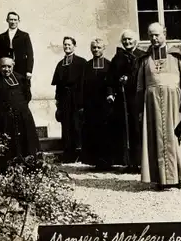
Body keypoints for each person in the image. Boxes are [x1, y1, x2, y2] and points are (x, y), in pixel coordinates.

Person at [136, 22, 181, 190]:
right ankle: (160, 180)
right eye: (150, 35)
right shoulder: (145, 59)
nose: (154, 38)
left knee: (175, 139)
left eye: (157, 34)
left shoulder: (176, 56)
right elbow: (140, 87)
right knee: (154, 139)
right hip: (151, 106)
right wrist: (140, 110)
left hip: (174, 105)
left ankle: (178, 178)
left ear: (165, 34)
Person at [0, 57, 40, 162]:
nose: (6, 69)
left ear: (13, 66)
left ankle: (27, 163)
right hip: (1, 120)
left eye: (9, 66)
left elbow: (27, 96)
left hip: (22, 117)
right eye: (3, 66)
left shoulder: (19, 78)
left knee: (25, 144)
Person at [106, 29, 146, 172]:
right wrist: (111, 92)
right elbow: (110, 78)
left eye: (129, 39)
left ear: (135, 40)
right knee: (125, 129)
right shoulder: (118, 58)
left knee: (138, 128)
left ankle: (142, 162)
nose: (127, 42)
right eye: (124, 40)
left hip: (139, 98)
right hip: (123, 99)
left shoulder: (142, 56)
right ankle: (129, 162)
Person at [51, 36, 87, 163]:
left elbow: (84, 83)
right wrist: (57, 100)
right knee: (66, 125)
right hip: (65, 98)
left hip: (77, 98)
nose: (67, 47)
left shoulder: (81, 62)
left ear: (74, 46)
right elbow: (58, 86)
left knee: (77, 125)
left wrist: (82, 100)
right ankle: (68, 152)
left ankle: (80, 152)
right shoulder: (60, 64)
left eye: (69, 45)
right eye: (65, 45)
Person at [79, 38, 112, 169]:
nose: (96, 50)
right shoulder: (86, 66)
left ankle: (107, 162)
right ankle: (95, 162)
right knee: (92, 132)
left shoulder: (109, 65)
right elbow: (81, 86)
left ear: (103, 48)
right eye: (94, 47)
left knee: (106, 132)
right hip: (90, 105)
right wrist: (81, 104)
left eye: (99, 47)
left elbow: (111, 83)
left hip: (105, 104)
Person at [0, 12, 34, 82]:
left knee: (24, 89)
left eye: (15, 20)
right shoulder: (2, 36)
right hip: (7, 68)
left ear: (18, 21)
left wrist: (29, 71)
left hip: (22, 68)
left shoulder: (24, 36)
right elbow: (0, 55)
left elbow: (30, 54)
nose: (13, 22)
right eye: (11, 19)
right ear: (7, 20)